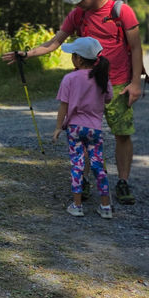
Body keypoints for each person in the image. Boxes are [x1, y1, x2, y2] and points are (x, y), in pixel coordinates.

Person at [3, 0, 144, 205]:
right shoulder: (77, 14)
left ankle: (123, 182)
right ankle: (85, 180)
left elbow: (136, 47)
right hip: (89, 84)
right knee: (87, 132)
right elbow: (55, 42)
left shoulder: (120, 11)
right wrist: (26, 54)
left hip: (118, 83)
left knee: (122, 133)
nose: (77, 4)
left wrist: (135, 83)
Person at [52, 37, 114, 219]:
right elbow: (108, 98)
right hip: (95, 129)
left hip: (74, 129)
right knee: (97, 165)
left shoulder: (69, 78)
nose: (72, 58)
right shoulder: (102, 77)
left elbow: (63, 105)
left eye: (73, 55)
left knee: (77, 164)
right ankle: (105, 207)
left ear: (79, 59)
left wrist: (58, 127)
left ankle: (77, 205)